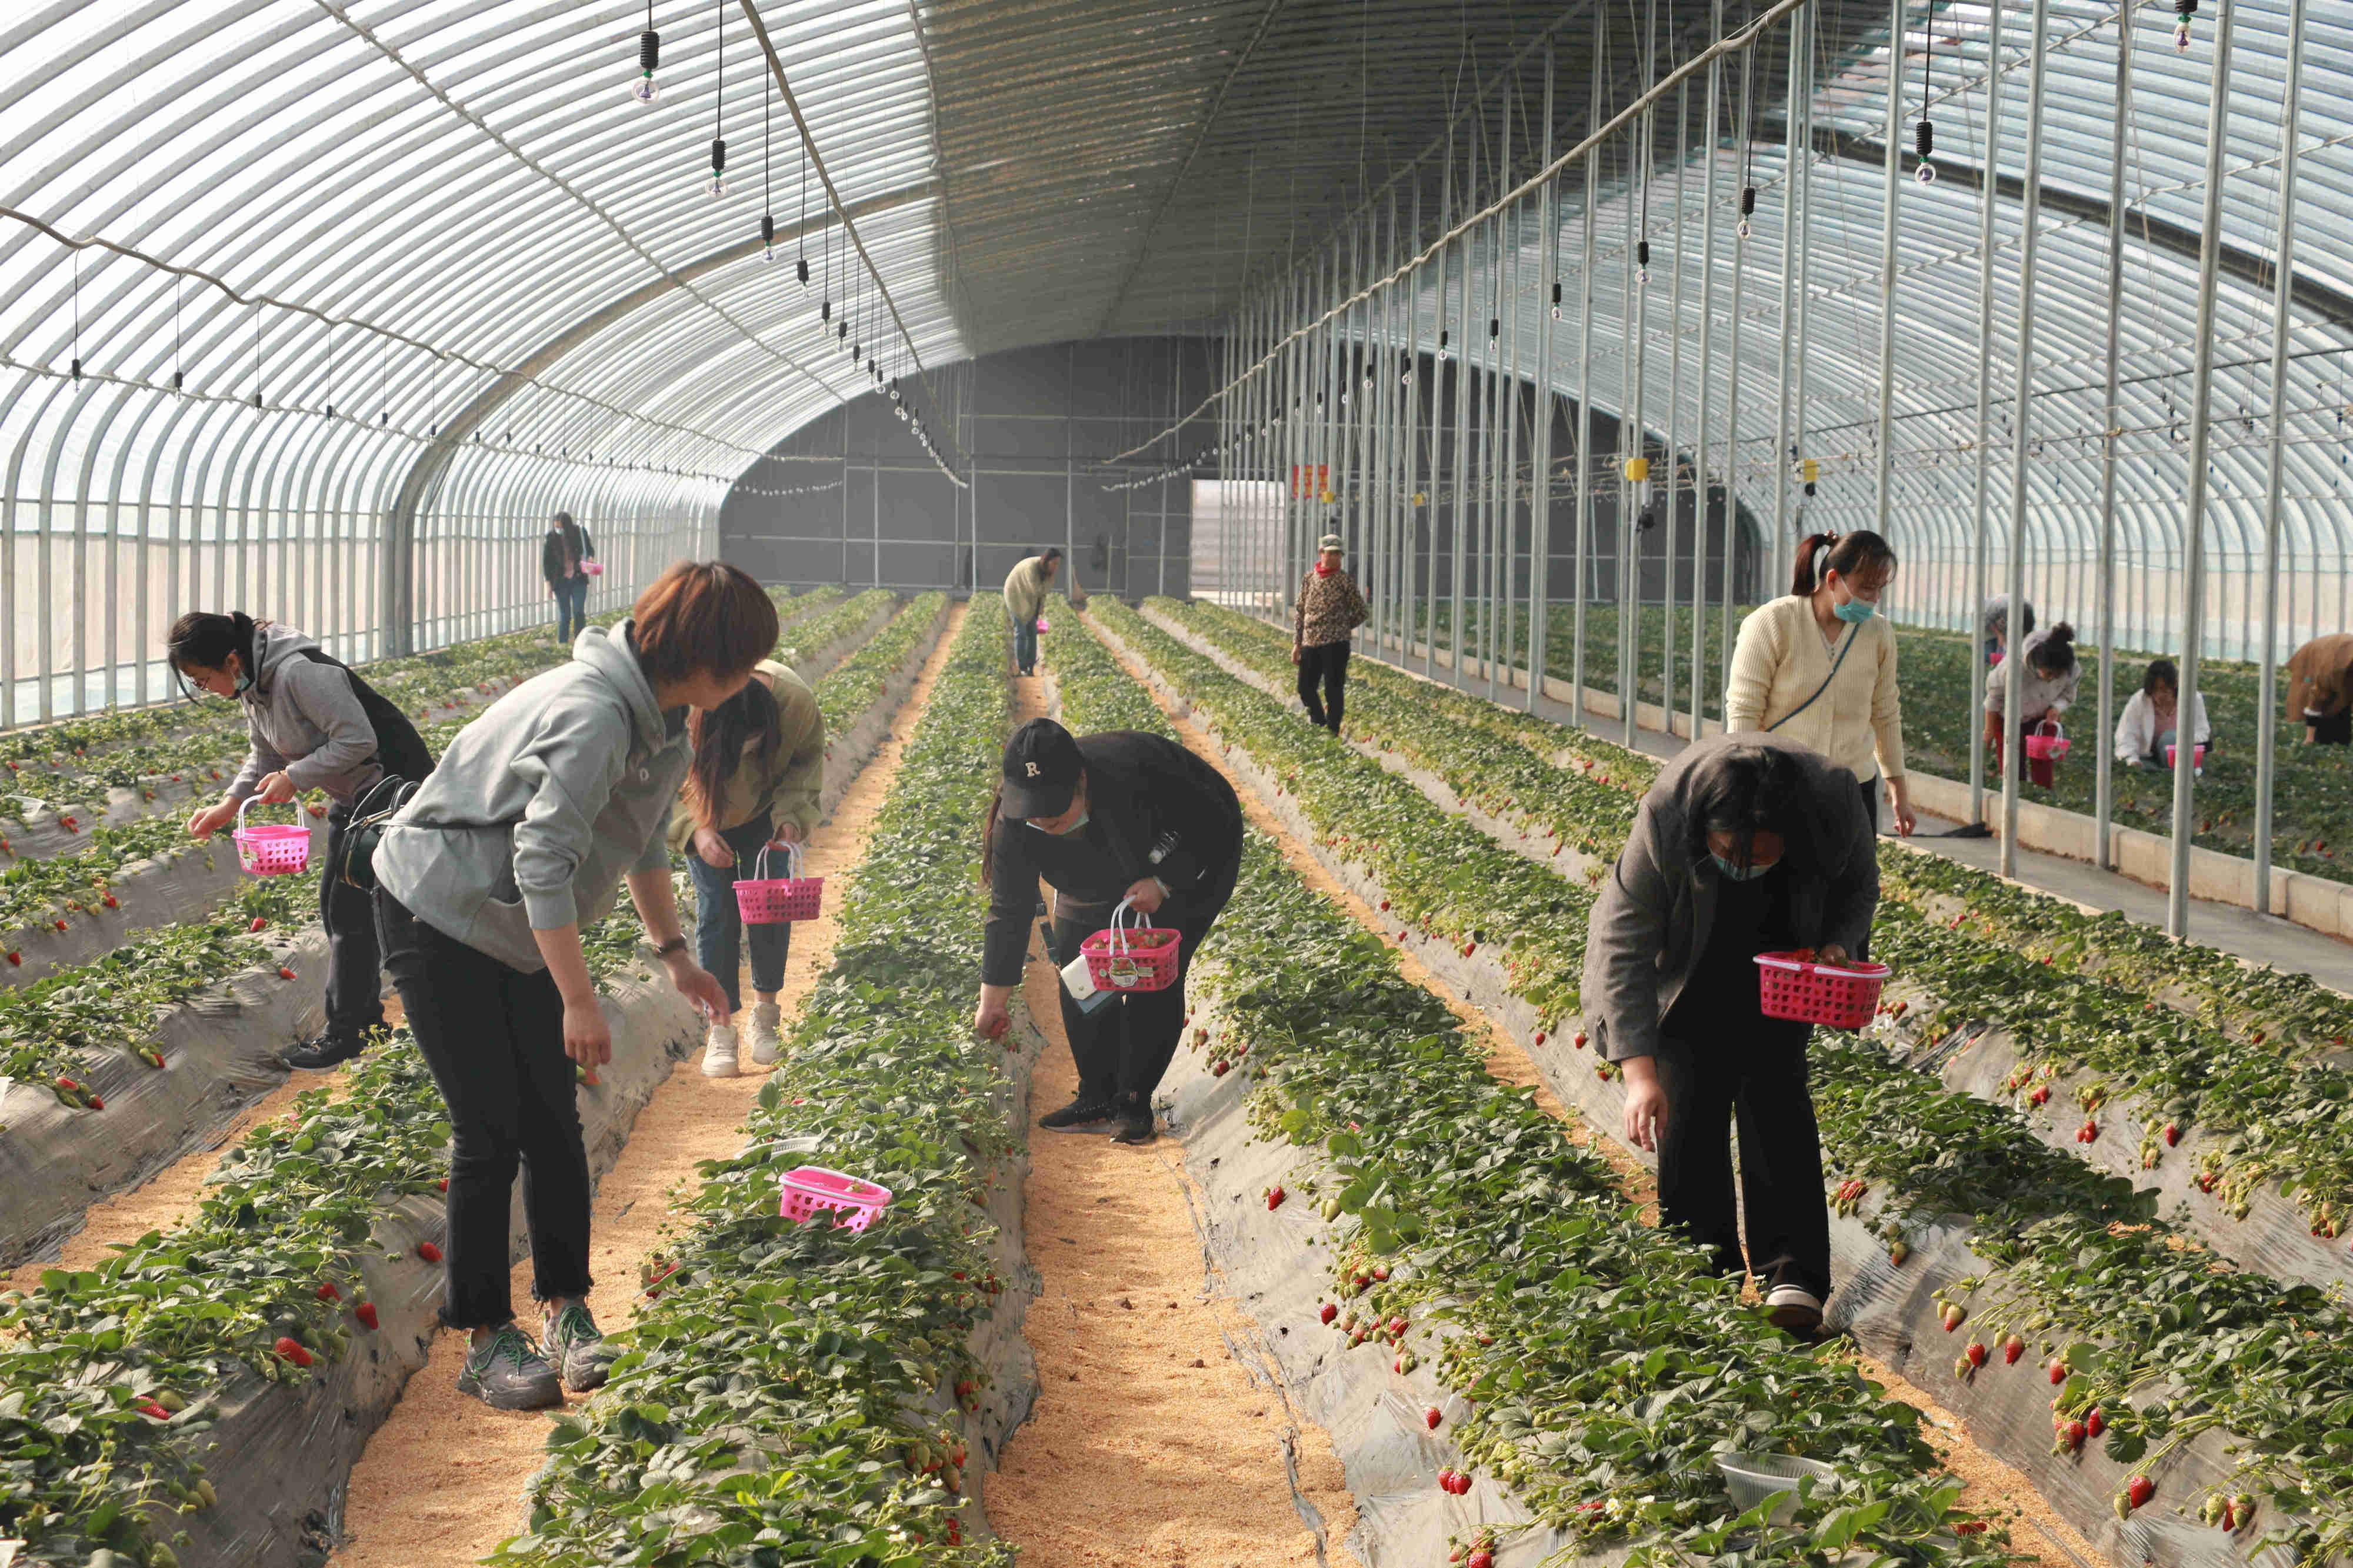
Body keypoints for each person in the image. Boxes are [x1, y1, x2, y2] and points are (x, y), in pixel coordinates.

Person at [369, 562, 765, 1410]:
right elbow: (542, 860)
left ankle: (566, 1310)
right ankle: (486, 1337)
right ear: (706, 659)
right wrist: (578, 999)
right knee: (487, 1126)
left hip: (513, 918)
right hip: (440, 909)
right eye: (740, 663)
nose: (743, 681)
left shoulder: (662, 718)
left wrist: (674, 954)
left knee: (551, 1116)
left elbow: (640, 836)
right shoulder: (594, 713)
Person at [1581, 733, 1879, 1336]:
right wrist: (1640, 1075)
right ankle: (1701, 1273)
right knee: (1686, 1103)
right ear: (1703, 832)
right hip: (1692, 958)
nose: (1743, 865)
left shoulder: (1832, 799)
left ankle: (1791, 1275)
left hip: (1783, 958)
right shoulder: (1668, 813)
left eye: (1760, 854)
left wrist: (1837, 943)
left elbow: (1858, 886)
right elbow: (1621, 941)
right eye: (1727, 851)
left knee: (1777, 1093)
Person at [173, 612, 434, 1071]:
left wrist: (296, 776)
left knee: (370, 915)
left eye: (203, 679)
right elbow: (265, 753)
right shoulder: (254, 685)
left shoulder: (299, 673)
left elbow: (357, 740)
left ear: (230, 661)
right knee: (344, 911)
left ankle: (363, 1032)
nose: (205, 689)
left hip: (394, 795)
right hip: (356, 797)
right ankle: (361, 1026)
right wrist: (229, 807)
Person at [972, 718, 1244, 1145]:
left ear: (1081, 782)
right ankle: (1097, 1096)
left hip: (1191, 855)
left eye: (1054, 811)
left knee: (1150, 971)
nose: (1043, 821)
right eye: (1033, 812)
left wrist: (1164, 883)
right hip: (1096, 867)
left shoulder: (1135, 775)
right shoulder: (1016, 821)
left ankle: (1134, 1101)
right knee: (1082, 971)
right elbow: (1009, 910)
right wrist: (992, 1002)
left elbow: (1215, 821)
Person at [668, 655, 825, 1078]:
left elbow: (806, 762)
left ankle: (766, 1016)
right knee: (717, 913)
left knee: (770, 905)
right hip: (704, 810)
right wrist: (696, 831)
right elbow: (658, 785)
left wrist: (790, 817)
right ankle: (720, 1029)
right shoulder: (680, 708)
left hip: (766, 813)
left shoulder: (795, 703)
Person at [1724, 529, 1915, 836]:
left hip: (1853, 789)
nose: (1874, 599)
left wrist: (1899, 793)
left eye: (1879, 589)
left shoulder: (1878, 633)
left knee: (1854, 868)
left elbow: (1886, 714)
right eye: (1866, 588)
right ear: (1833, 579)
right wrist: (1742, 789)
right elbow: (1744, 710)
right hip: (1781, 786)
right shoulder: (1773, 622)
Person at [1984, 621, 2081, 788]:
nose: (2051, 679)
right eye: (2048, 674)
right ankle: (2014, 794)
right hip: (2007, 717)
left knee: (2044, 762)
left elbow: (2068, 695)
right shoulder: (2012, 667)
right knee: (2011, 765)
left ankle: (2042, 794)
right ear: (2037, 664)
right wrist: (1989, 731)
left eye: (2056, 676)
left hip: (2042, 718)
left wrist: (2056, 708)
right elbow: (1994, 697)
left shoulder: (2071, 669)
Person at [1291, 532, 1369, 736]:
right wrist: (1297, 644)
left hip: (1336, 644)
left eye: (1338, 554)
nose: (1334, 557)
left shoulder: (1345, 581)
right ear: (1321, 553)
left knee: (1333, 690)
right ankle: (1319, 723)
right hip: (1310, 642)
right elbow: (1300, 612)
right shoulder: (1309, 579)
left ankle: (1331, 733)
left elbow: (1361, 612)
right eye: (1330, 553)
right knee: (1305, 688)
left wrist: (1342, 627)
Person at [2114, 658, 2213, 769]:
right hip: (2147, 757)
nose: (2159, 695)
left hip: (2180, 757)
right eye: (2154, 689)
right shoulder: (2139, 700)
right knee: (2147, 768)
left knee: (2169, 738)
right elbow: (2126, 735)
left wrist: (2179, 741)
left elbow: (2202, 732)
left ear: (2175, 684)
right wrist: (2132, 760)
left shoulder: (2193, 699)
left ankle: (2176, 767)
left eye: (2164, 689)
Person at [1002, 548, 1062, 678]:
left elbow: (1043, 593)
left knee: (1032, 632)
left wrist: (1039, 610)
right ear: (1047, 561)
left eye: (1058, 564)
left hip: (1030, 599)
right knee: (1021, 632)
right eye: (1054, 563)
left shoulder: (1049, 573)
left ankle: (1030, 667)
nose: (1056, 567)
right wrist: (1045, 587)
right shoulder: (1032, 568)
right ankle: (1022, 668)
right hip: (1015, 594)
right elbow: (1036, 590)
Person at [2286, 633, 2353, 745]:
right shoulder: (2333, 671)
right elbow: (2317, 697)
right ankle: (2320, 741)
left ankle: (2339, 742)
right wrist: (2310, 738)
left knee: (2341, 703)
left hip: (2340, 653)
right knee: (2320, 700)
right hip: (2314, 656)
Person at [542, 511, 598, 643]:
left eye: (561, 527)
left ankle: (580, 641)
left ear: (567, 526)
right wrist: (549, 585)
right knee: (565, 614)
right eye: (556, 527)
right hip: (560, 581)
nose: (558, 530)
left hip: (578, 578)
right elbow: (547, 563)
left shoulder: (580, 533)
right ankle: (562, 643)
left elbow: (590, 549)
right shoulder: (551, 538)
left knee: (579, 611)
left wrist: (590, 557)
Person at [1981, 593, 2034, 666]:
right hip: (1986, 620)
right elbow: (1990, 621)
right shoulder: (2003, 609)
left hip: (2001, 618)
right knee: (1985, 656)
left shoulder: (2028, 611)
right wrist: (1999, 635)